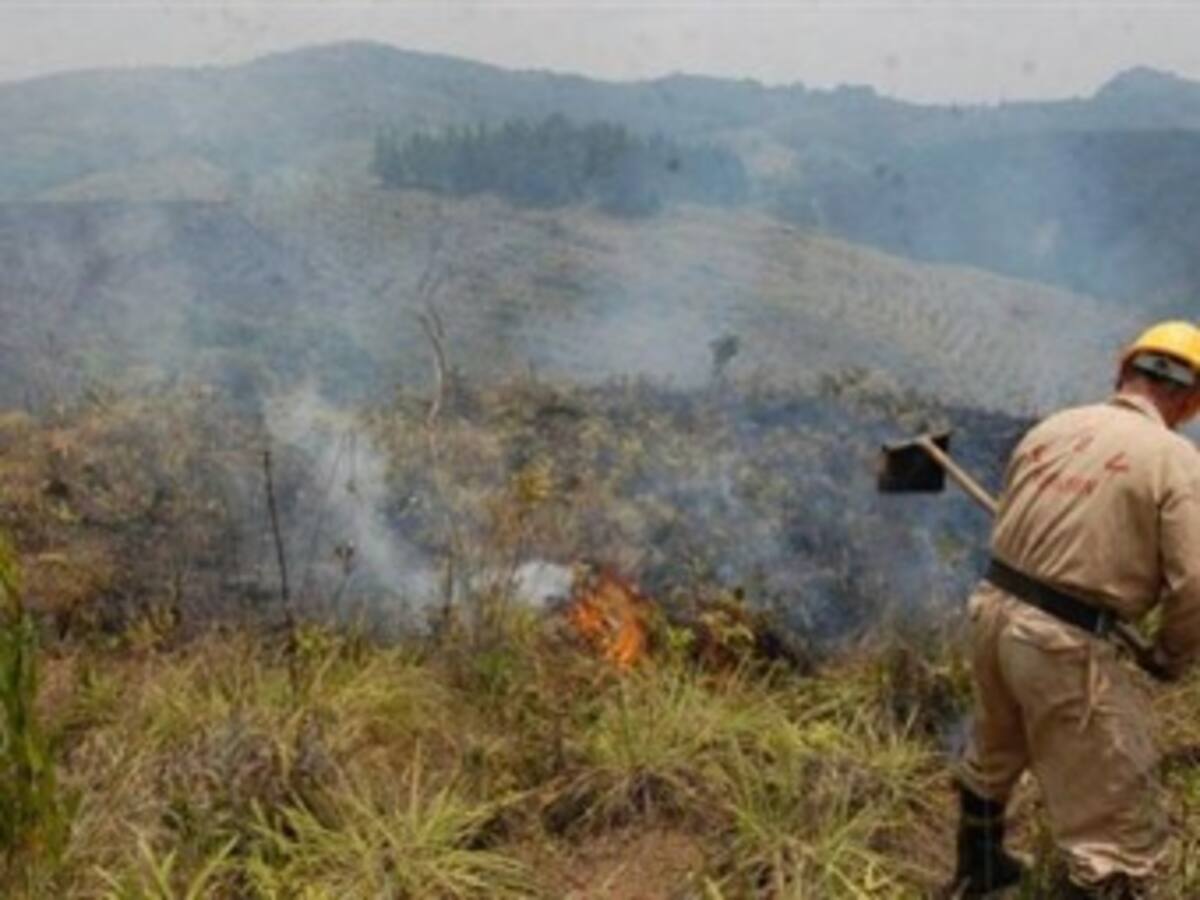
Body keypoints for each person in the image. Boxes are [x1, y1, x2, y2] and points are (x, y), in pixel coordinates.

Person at [948, 321, 1200, 899]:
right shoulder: (1173, 458)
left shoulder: (1053, 428)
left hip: (992, 613)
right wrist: (1172, 654)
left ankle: (975, 872)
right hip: (1061, 642)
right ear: (1188, 401)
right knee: (1116, 826)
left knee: (994, 749)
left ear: (1123, 372)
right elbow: (1194, 584)